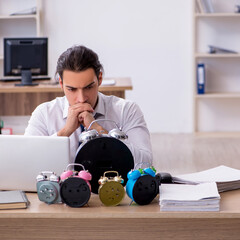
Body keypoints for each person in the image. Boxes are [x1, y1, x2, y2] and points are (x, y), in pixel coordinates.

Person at [24, 45, 153, 165]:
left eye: (88, 87)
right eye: (72, 89)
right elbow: (27, 162)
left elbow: (145, 163)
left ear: (100, 79)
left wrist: (99, 131)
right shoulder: (44, 114)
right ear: (61, 84)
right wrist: (65, 132)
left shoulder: (127, 110)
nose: (81, 99)